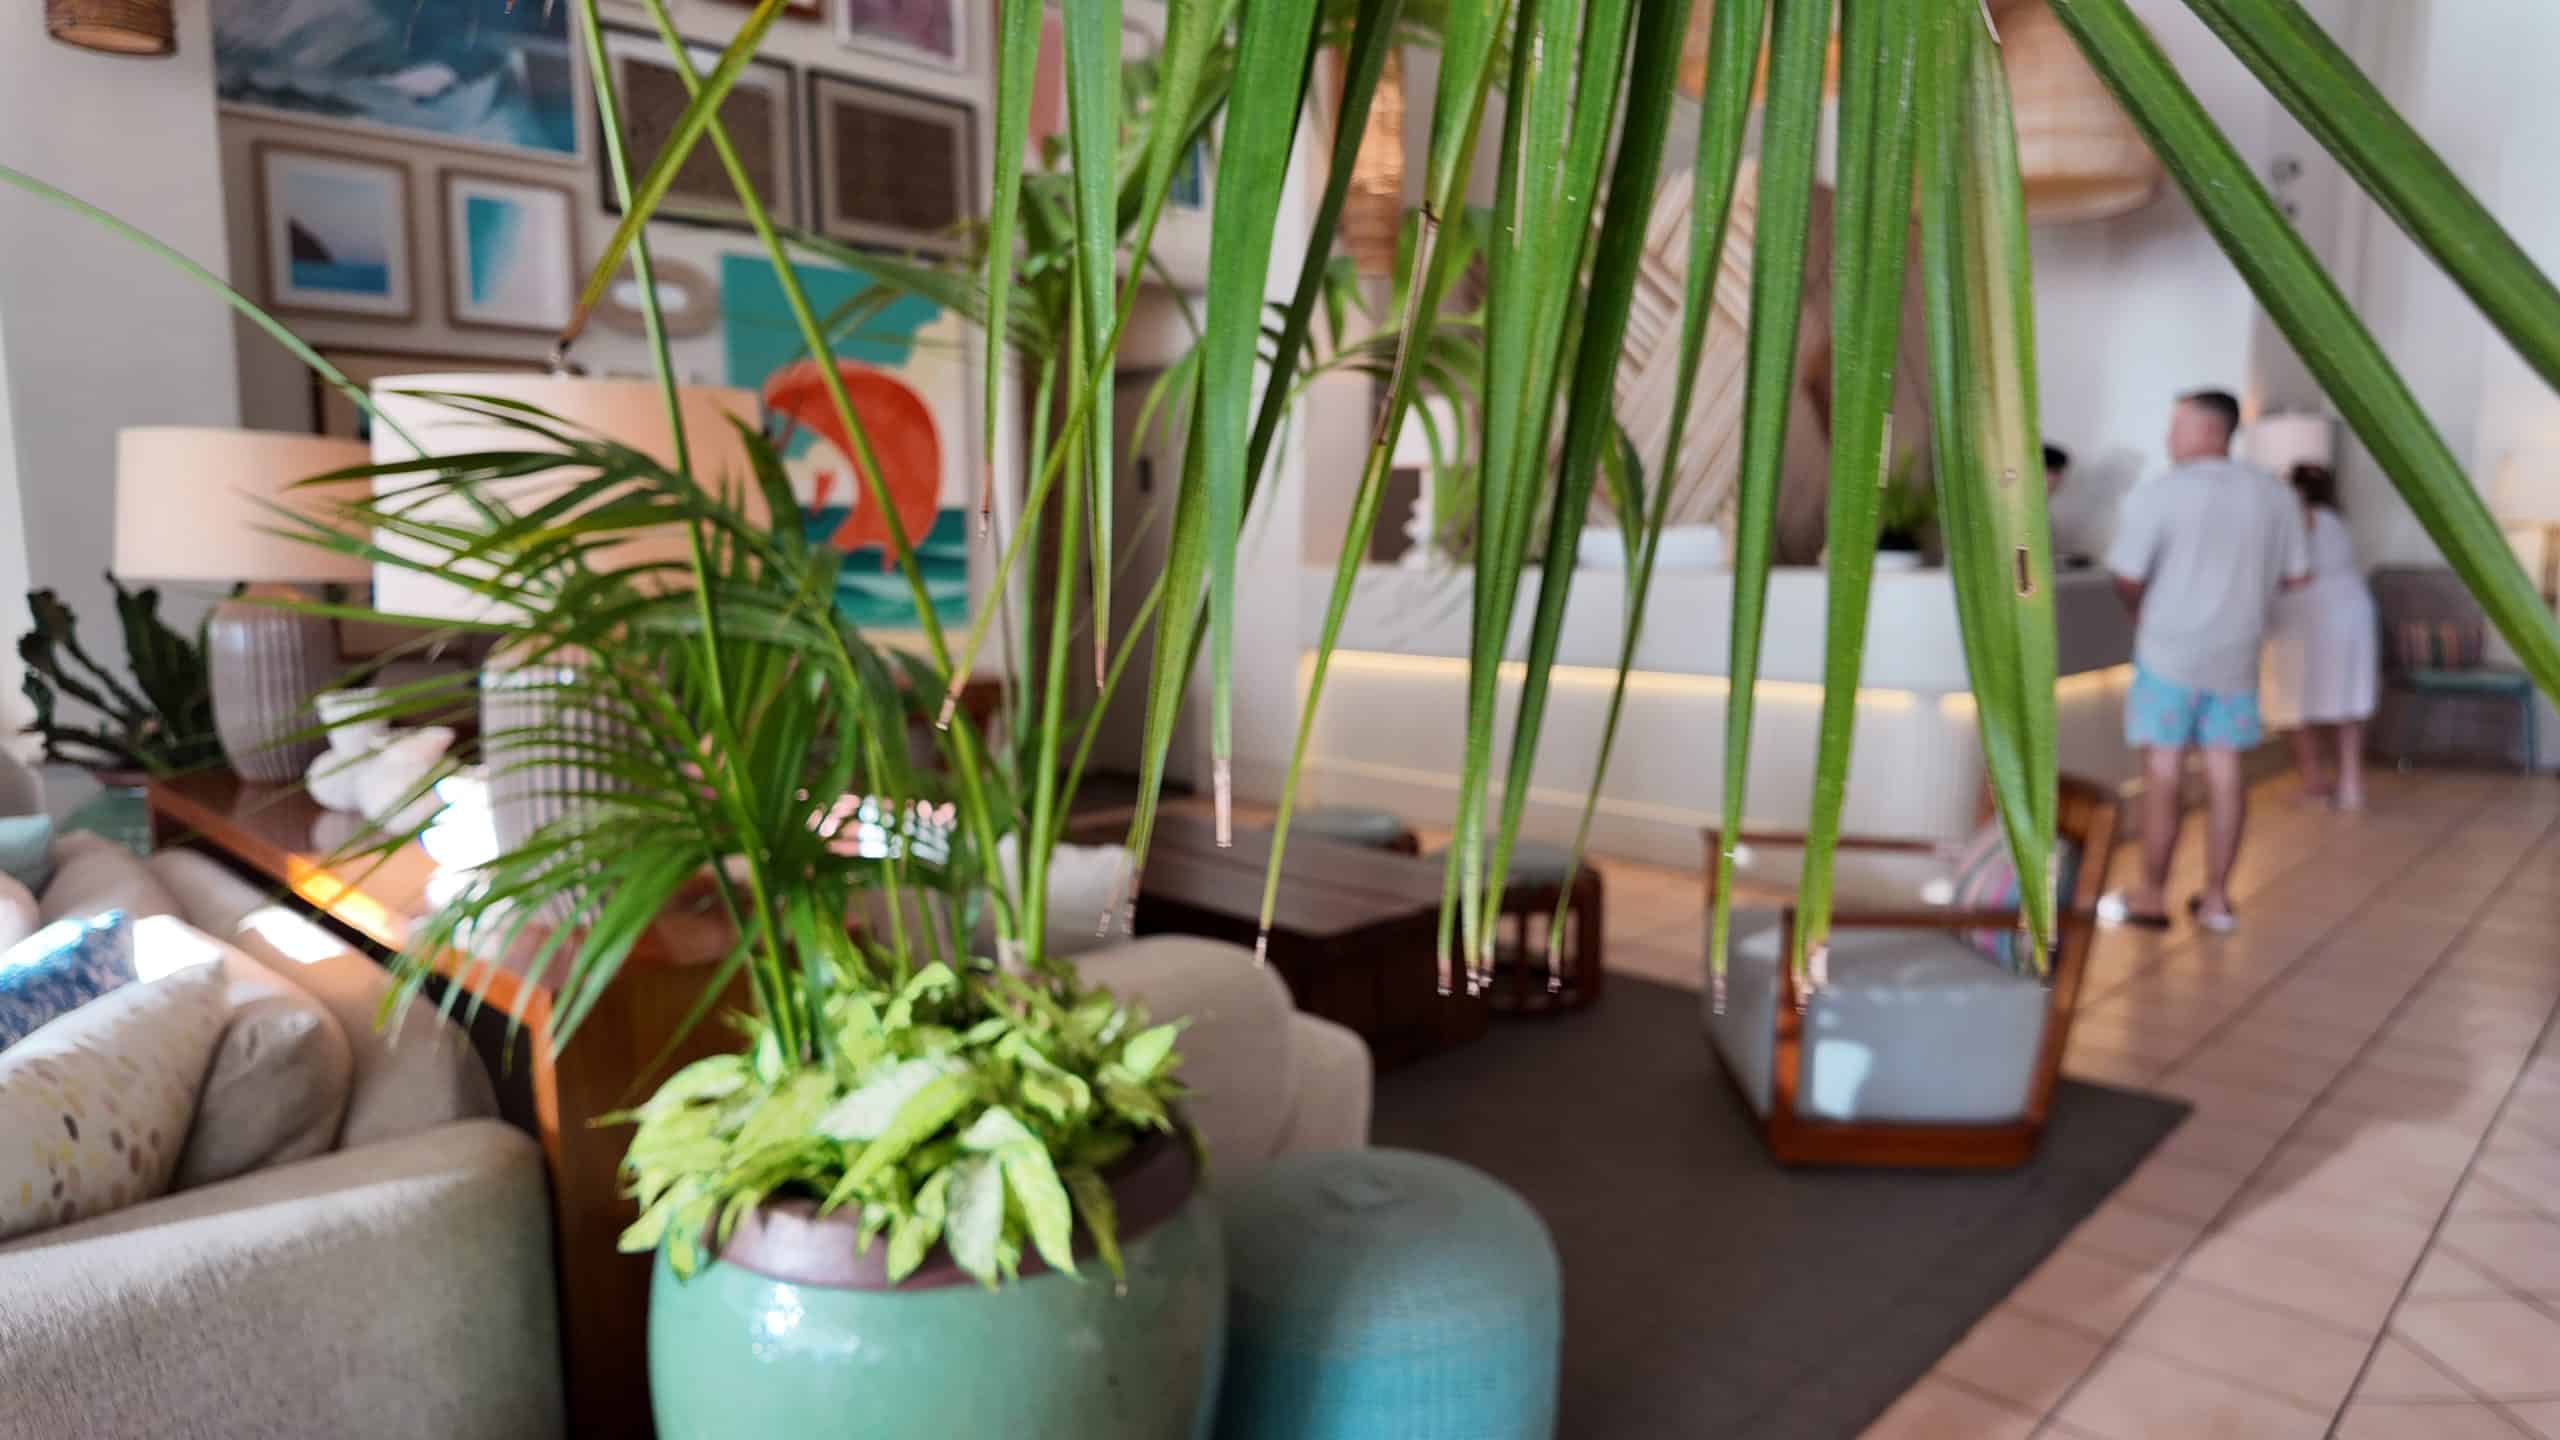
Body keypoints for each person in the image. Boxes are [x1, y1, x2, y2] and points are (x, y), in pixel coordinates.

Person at [2099, 390, 2310, 933]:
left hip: (2167, 654)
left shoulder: (2161, 493)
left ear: (2211, 430)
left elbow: (2126, 575)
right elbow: (2295, 576)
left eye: (2177, 426)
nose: (2169, 438)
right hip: (2237, 658)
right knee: (2226, 774)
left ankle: (2150, 896)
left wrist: (2142, 611)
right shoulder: (2274, 495)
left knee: (2163, 773)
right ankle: (2217, 900)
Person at [2262, 463, 2378, 810]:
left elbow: (2294, 571)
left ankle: (2314, 782)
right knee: (2347, 698)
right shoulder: (2338, 523)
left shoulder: (2301, 515)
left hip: (2311, 616)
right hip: (2352, 612)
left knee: (2292, 696)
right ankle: (2351, 783)